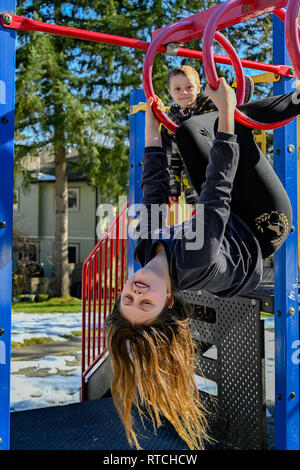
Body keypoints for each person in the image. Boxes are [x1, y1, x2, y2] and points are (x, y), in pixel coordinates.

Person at [106, 78, 298, 450]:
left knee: (190, 132)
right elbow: (217, 191)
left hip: (228, 219)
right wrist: (226, 109)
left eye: (128, 299)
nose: (137, 292)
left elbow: (154, 190)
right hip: (264, 221)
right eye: (146, 304)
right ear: (169, 302)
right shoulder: (195, 259)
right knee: (231, 126)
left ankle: (227, 115)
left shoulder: (145, 251)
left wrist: (152, 127)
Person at [162, 65, 254, 204]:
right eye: (177, 89)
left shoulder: (209, 104)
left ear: (198, 88)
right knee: (205, 212)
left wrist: (237, 93)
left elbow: (226, 107)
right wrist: (173, 187)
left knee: (227, 202)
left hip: (218, 163)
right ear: (170, 92)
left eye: (189, 87)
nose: (184, 92)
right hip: (193, 179)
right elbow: (172, 156)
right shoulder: (171, 122)